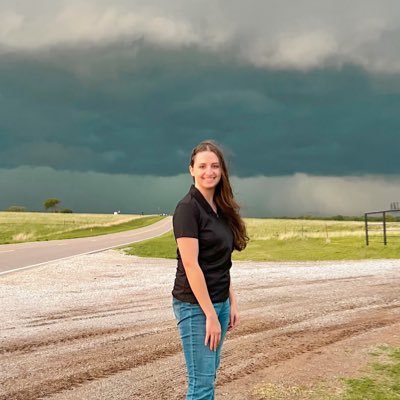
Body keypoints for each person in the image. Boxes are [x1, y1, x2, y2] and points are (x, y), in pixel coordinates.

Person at [172, 140, 249, 399]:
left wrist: (231, 303)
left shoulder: (221, 208)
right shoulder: (187, 209)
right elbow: (191, 265)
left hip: (219, 302)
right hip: (195, 306)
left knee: (209, 375)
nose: (209, 171)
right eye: (202, 166)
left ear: (222, 171)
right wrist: (211, 316)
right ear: (191, 169)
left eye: (215, 166)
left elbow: (222, 262)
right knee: (201, 385)